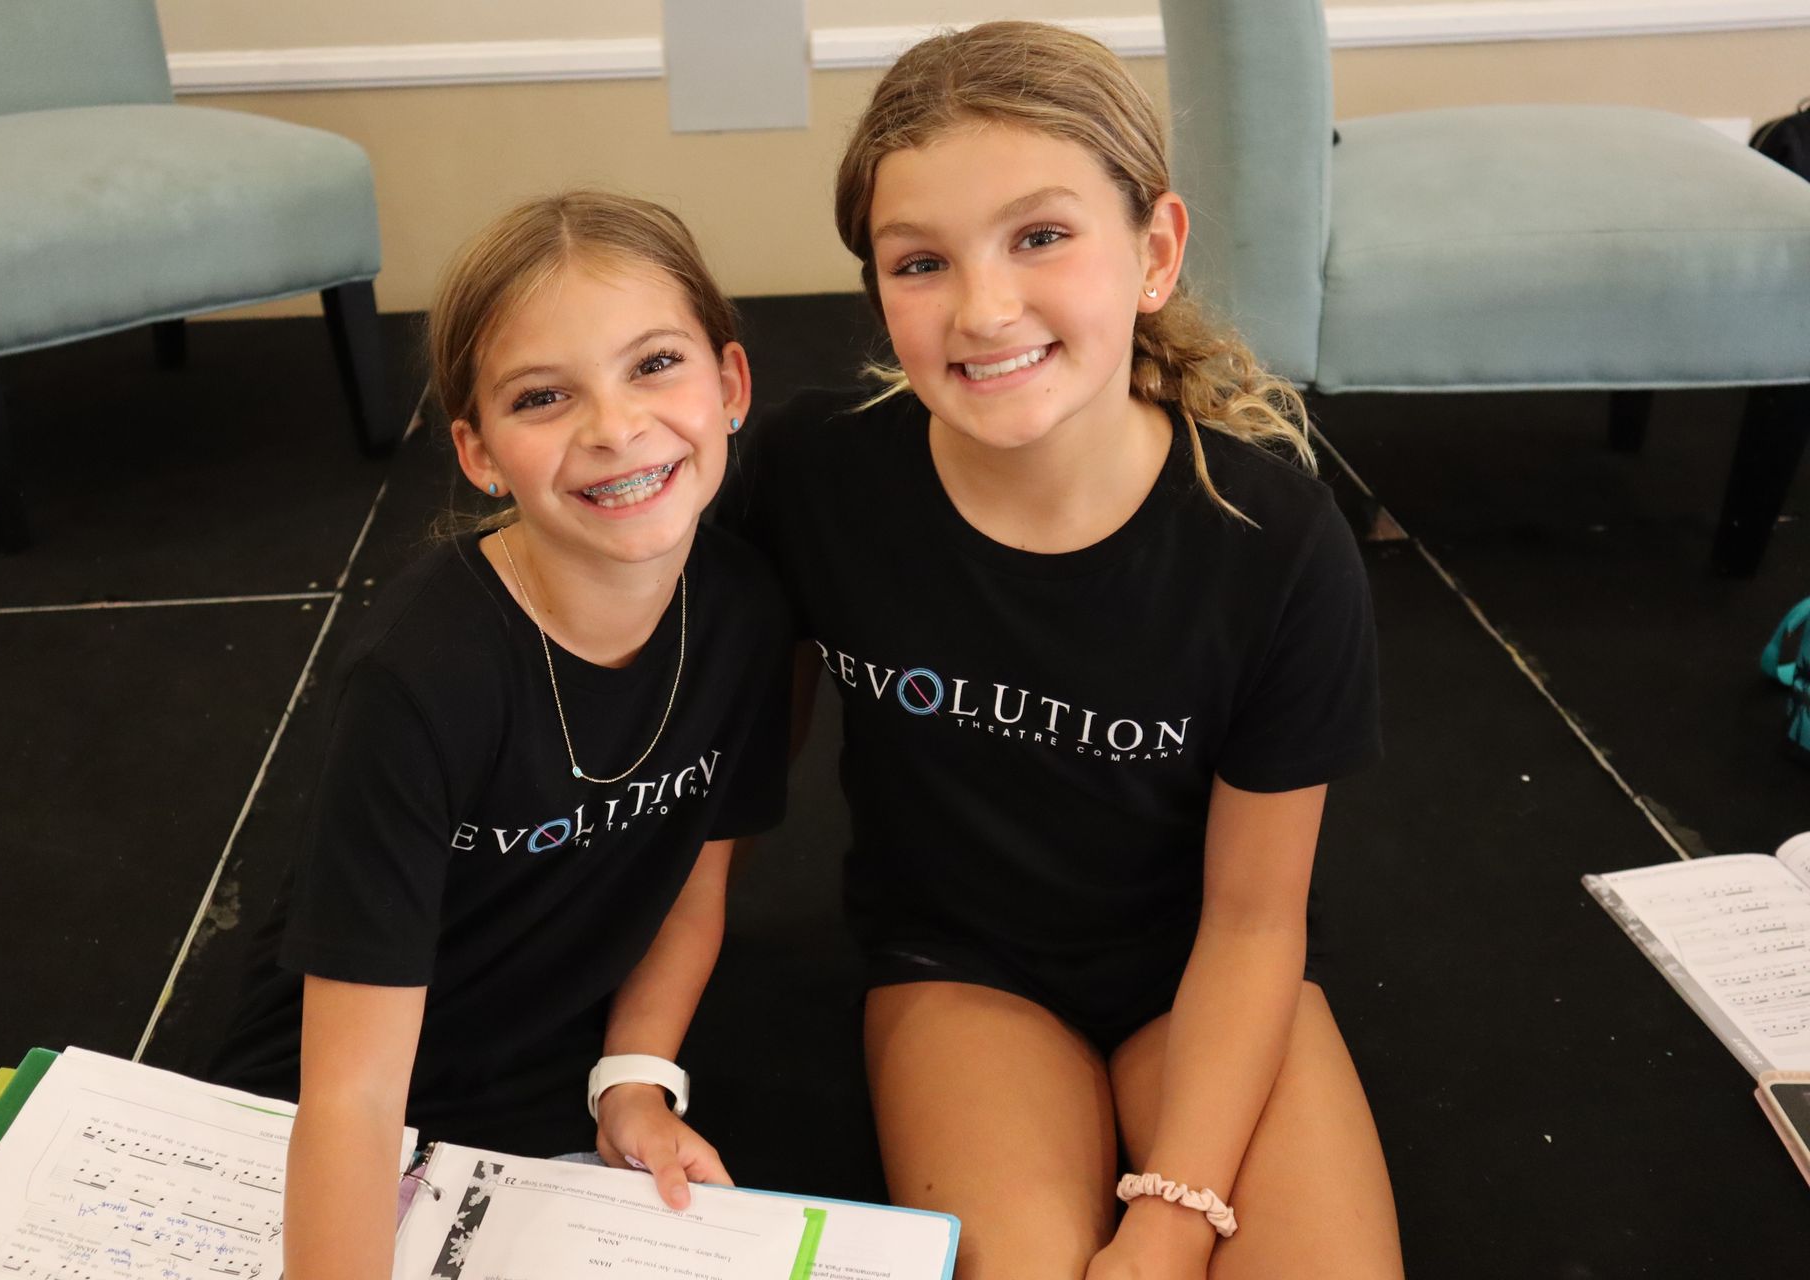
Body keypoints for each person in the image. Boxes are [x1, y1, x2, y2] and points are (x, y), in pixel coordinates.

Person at [729, 21, 1402, 1280]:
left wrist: (1172, 1215)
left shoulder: (1275, 542)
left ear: (1154, 251)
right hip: (962, 975)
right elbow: (726, 781)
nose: (984, 308)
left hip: (1200, 969)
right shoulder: (817, 476)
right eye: (919, 260)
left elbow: (1256, 921)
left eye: (1041, 236)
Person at [210, 191, 789, 1280]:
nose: (614, 427)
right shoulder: (420, 676)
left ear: (732, 384)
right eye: (543, 395)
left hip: (552, 1071)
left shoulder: (749, 612)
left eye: (655, 364)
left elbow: (696, 882)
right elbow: (352, 1089)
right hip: (342, 1094)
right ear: (479, 452)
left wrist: (634, 1074)